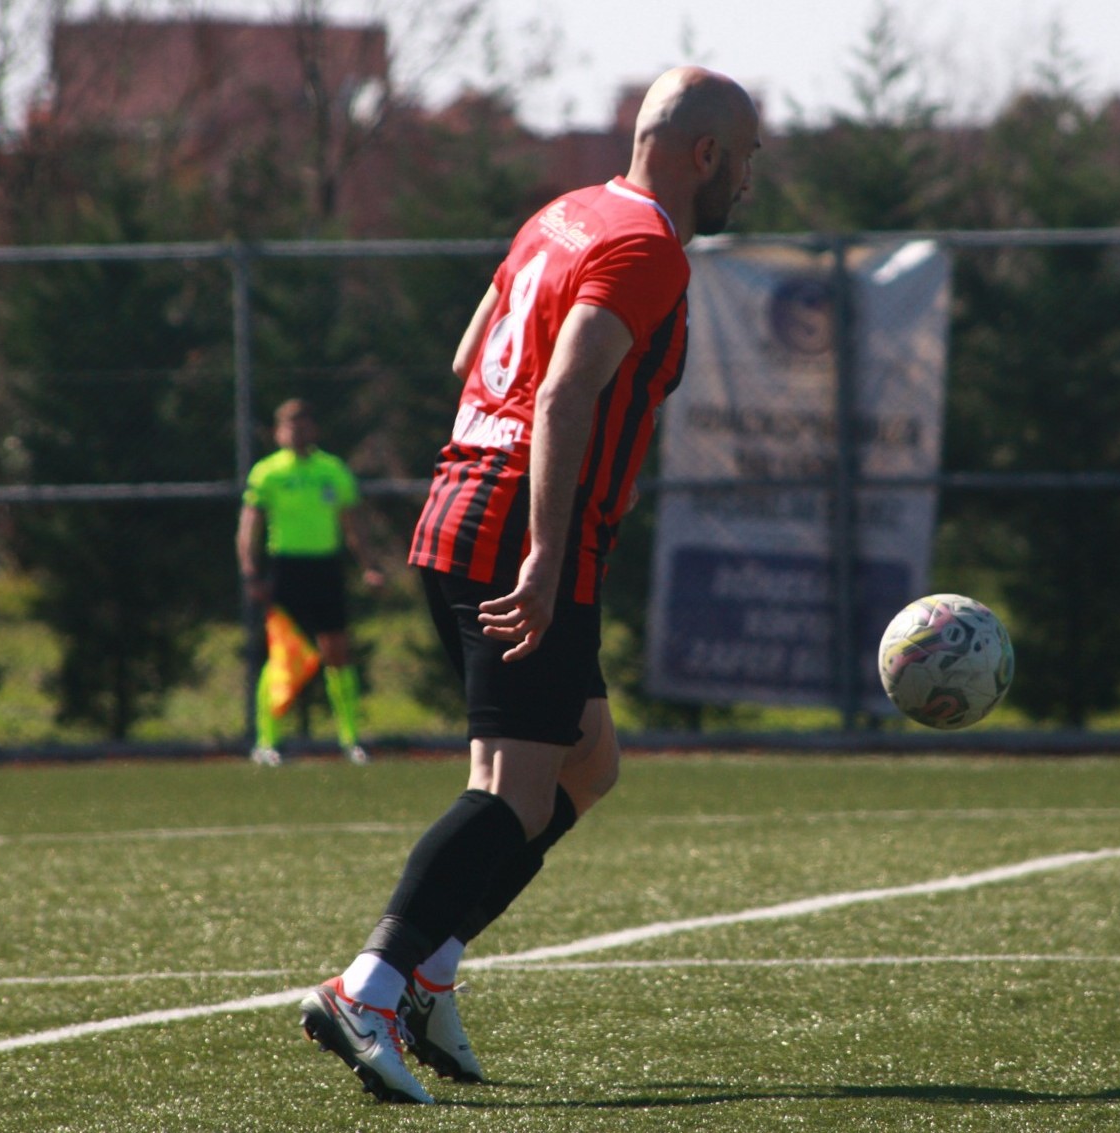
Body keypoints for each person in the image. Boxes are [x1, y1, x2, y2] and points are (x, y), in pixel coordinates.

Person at [295, 66, 761, 1104]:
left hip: (464, 504)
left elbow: (473, 355)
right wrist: (546, 555)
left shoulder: (564, 214)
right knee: (513, 790)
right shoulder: (646, 248)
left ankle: (428, 971)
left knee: (586, 764)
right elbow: (562, 393)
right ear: (704, 156)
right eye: (750, 157)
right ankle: (367, 984)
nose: (753, 180)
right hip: (521, 531)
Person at [236, 398, 387, 766]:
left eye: (303, 426)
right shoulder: (267, 473)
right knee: (282, 653)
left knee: (337, 651)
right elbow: (249, 528)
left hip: (325, 568)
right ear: (278, 432)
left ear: (314, 430)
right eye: (290, 426)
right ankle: (267, 740)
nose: (297, 433)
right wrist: (251, 572)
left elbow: (353, 524)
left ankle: (350, 740)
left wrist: (369, 565)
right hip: (287, 568)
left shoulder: (332, 470)